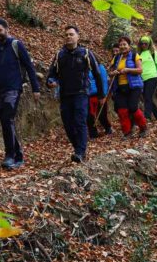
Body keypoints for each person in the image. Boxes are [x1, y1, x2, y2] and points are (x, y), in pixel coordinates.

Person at [0, 18, 40, 170]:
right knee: (7, 122)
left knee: (7, 119)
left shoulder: (16, 45)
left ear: (7, 29)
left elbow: (29, 66)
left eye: (0, 30)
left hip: (14, 88)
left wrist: (36, 88)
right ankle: (17, 155)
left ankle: (9, 155)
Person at [47, 26, 104, 163]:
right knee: (68, 124)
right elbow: (51, 75)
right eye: (66, 34)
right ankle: (78, 148)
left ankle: (80, 152)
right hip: (65, 95)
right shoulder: (59, 55)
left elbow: (97, 74)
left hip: (81, 93)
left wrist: (101, 94)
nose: (68, 37)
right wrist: (50, 82)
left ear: (78, 36)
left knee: (79, 122)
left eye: (71, 34)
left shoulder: (85, 53)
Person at [111, 36, 147, 138]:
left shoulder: (135, 55)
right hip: (120, 87)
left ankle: (143, 127)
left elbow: (140, 70)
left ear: (129, 45)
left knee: (133, 107)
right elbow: (110, 71)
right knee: (122, 110)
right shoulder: (117, 58)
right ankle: (127, 132)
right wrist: (113, 72)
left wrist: (128, 70)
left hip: (134, 86)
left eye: (124, 44)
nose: (122, 47)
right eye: (121, 45)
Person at [87, 58, 113, 138]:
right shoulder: (84, 69)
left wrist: (104, 95)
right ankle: (93, 133)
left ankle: (108, 128)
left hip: (99, 95)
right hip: (87, 95)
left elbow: (104, 81)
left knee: (101, 115)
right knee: (89, 116)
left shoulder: (100, 67)